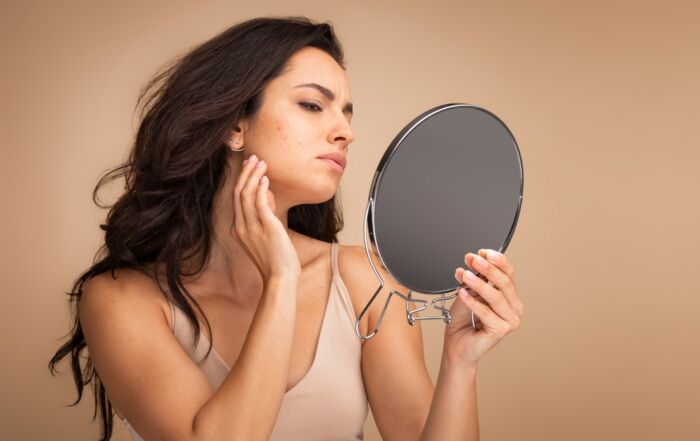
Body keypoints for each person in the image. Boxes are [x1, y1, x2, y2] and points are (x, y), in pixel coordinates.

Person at [48, 16, 524, 441]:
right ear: (235, 126)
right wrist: (282, 280)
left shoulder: (361, 280)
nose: (345, 131)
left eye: (347, 113)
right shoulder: (121, 300)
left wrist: (460, 362)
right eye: (314, 106)